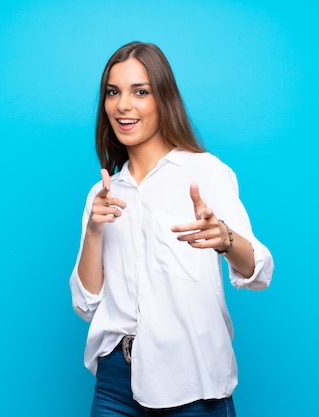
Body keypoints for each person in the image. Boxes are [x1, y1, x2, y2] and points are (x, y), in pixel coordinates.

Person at [69, 41, 274, 417]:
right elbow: (85, 305)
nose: (123, 105)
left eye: (140, 92)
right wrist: (95, 231)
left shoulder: (205, 172)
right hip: (115, 381)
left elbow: (258, 271)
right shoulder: (103, 193)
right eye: (113, 92)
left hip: (191, 378)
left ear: (163, 99)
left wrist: (225, 238)